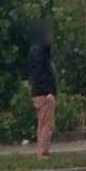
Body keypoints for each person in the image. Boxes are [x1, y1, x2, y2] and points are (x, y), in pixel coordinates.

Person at [26, 19, 58, 159]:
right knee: (46, 124)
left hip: (39, 92)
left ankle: (42, 149)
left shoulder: (36, 51)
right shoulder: (40, 53)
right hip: (44, 93)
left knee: (42, 123)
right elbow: (41, 75)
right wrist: (49, 91)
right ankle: (43, 151)